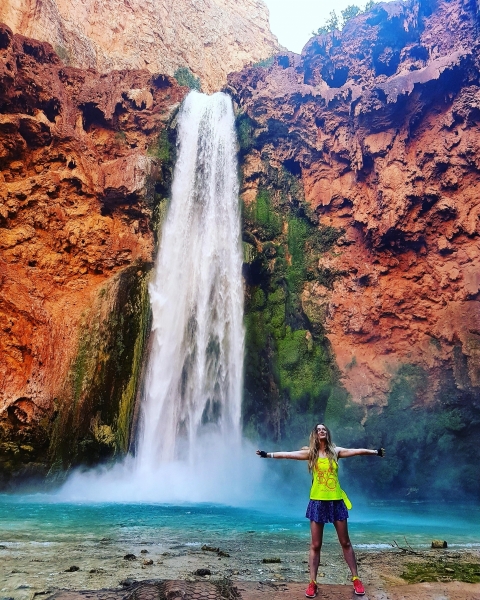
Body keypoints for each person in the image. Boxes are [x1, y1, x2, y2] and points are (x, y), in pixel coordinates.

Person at [256, 423, 385, 598]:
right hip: (317, 501)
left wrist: (375, 452)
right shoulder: (311, 453)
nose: (322, 431)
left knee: (345, 542)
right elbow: (288, 455)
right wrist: (267, 454)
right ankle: (313, 582)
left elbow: (356, 451)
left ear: (327, 433)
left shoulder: (335, 451)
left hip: (336, 501)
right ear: (315, 435)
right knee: (316, 544)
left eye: (324, 429)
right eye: (318, 430)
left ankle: (356, 578)